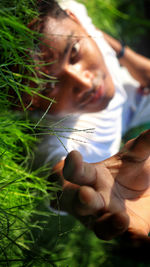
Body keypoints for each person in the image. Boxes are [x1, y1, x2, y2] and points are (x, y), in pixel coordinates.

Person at [20, 0, 150, 252]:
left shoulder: (69, 12)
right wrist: (75, 193)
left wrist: (125, 55)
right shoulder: (61, 138)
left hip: (128, 92)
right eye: (49, 85)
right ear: (28, 104)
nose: (84, 81)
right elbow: (59, 175)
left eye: (75, 52)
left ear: (76, 21)